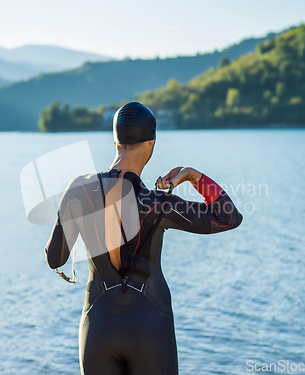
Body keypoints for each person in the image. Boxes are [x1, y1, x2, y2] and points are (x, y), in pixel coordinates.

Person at [45, 102, 243, 375]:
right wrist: (193, 176)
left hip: (98, 327)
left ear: (115, 141)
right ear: (152, 143)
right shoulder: (157, 202)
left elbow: (55, 258)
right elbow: (229, 217)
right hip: (150, 326)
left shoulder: (78, 189)